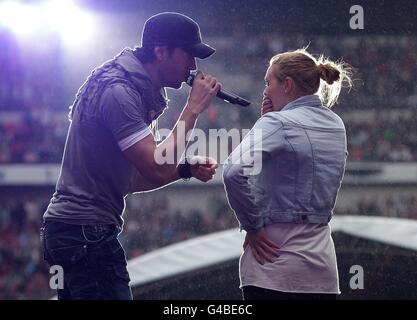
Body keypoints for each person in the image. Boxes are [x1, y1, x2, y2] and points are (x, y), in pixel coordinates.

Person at [41, 12, 220, 300]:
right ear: (161, 51)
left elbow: (128, 180)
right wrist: (193, 108)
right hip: (87, 234)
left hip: (69, 233)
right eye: (188, 55)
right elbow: (156, 169)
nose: (193, 66)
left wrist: (185, 169)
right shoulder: (120, 92)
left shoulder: (127, 87)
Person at [223, 48, 352, 300]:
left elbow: (233, 172)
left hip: (273, 267)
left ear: (288, 85)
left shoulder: (276, 124)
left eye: (268, 82)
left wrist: (252, 226)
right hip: (322, 272)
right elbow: (298, 169)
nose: (265, 91)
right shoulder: (336, 124)